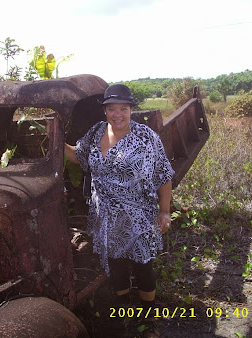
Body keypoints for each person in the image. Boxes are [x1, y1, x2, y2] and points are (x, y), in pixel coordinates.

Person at [65, 84, 174, 330]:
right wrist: (54, 141)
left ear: (131, 109)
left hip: (139, 216)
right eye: (112, 109)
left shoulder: (145, 137)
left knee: (143, 265)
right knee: (115, 265)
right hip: (105, 218)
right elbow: (78, 156)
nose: (117, 114)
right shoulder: (95, 133)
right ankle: (122, 311)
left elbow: (164, 175)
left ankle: (148, 317)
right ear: (105, 111)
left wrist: (165, 211)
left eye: (123, 109)